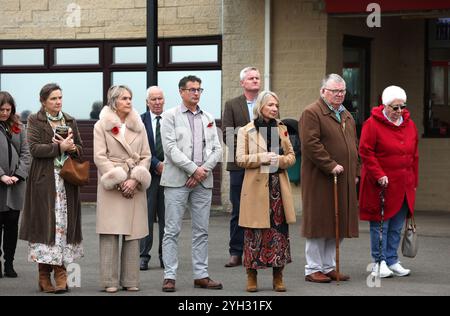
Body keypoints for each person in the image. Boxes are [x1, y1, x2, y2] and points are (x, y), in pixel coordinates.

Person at [19, 83, 84, 293]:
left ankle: (62, 272)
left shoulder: (70, 120)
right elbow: (35, 149)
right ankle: (44, 275)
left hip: (67, 181)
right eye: (53, 99)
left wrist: (73, 148)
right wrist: (59, 147)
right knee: (46, 227)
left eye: (60, 98)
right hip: (44, 181)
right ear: (43, 101)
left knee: (63, 228)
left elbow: (81, 150)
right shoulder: (34, 120)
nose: (58, 102)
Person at [160, 75, 222, 292]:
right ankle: (169, 276)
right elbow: (170, 149)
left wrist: (202, 170)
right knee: (172, 230)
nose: (196, 93)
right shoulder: (169, 116)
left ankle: (201, 275)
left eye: (199, 90)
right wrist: (193, 169)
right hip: (177, 181)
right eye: (192, 89)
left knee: (201, 230)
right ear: (181, 92)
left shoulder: (208, 117)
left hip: (203, 181)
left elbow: (218, 149)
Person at [299, 74, 359, 283]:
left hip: (343, 178)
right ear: (323, 91)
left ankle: (328, 266)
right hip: (321, 179)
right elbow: (311, 145)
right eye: (335, 91)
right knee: (319, 224)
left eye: (342, 91)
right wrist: (330, 164)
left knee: (337, 223)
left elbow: (354, 147)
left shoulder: (347, 116)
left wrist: (356, 171)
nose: (339, 95)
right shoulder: (312, 113)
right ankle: (313, 268)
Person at [236, 90, 296, 292]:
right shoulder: (246, 130)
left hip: (277, 187)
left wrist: (278, 160)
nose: (274, 109)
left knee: (278, 232)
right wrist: (263, 157)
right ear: (260, 106)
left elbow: (291, 157)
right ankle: (251, 276)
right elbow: (240, 159)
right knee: (254, 233)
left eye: (276, 106)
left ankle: (278, 275)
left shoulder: (282, 129)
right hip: (255, 188)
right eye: (270, 105)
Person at [94, 85, 151, 293]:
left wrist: (135, 180)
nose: (129, 101)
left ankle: (131, 280)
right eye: (124, 98)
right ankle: (109, 281)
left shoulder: (139, 125)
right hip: (112, 185)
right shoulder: (101, 126)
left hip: (134, 184)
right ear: (114, 101)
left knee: (133, 234)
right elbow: (99, 157)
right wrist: (119, 180)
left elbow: (146, 156)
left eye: (130, 98)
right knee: (110, 234)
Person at [359, 85, 418, 278]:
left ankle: (392, 260)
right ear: (384, 106)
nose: (399, 111)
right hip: (381, 184)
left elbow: (414, 155)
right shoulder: (372, 124)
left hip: (403, 184)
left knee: (397, 225)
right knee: (380, 224)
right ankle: (379, 261)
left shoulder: (409, 124)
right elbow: (366, 152)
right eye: (395, 107)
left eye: (402, 106)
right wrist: (379, 174)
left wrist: (414, 180)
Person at [222, 66, 261, 268]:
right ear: (242, 83)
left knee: (260, 209)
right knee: (238, 208)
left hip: (261, 166)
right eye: (251, 78)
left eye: (257, 77)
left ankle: (257, 251)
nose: (255, 80)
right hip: (238, 165)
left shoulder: (266, 102)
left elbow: (272, 133)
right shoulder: (232, 105)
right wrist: (246, 155)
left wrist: (260, 156)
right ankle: (236, 252)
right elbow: (228, 135)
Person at [0, 91, 31, 278]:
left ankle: (9, 264)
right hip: (1, 184)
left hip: (15, 186)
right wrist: (2, 175)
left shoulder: (19, 126)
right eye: (1, 109)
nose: (4, 113)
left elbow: (26, 154)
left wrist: (18, 175)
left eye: (7, 109)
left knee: (12, 226)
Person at [139, 86, 166, 271]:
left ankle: (165, 256)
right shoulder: (140, 121)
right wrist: (156, 163)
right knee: (146, 218)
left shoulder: (171, 119)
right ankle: (144, 256)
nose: (157, 102)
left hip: (169, 176)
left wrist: (168, 165)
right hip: (148, 175)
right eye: (153, 99)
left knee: (167, 220)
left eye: (160, 99)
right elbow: (141, 147)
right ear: (147, 102)